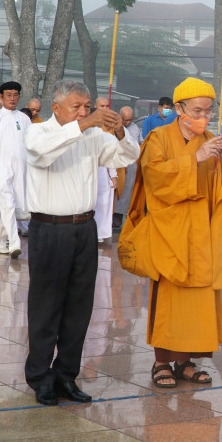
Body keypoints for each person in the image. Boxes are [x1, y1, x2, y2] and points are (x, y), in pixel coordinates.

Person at [23, 80, 139, 405]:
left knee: (79, 307)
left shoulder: (92, 134)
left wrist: (117, 132)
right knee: (46, 306)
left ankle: (66, 375)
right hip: (50, 229)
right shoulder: (38, 132)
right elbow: (41, 154)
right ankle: (40, 377)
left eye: (87, 106)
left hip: (84, 228)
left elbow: (127, 155)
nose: (84, 112)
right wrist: (83, 124)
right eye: (77, 106)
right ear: (56, 108)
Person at [136, 77, 222, 388]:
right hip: (170, 230)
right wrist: (195, 158)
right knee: (169, 298)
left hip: (202, 233)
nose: (204, 118)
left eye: (209, 112)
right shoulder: (159, 137)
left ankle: (186, 362)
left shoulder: (211, 138)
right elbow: (153, 176)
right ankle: (161, 362)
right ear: (179, 109)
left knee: (197, 301)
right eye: (197, 111)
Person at [0, 81, 31, 257]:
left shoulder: (24, 118)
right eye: (8, 95)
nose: (12, 98)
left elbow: (30, 145)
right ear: (1, 97)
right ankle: (14, 242)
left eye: (15, 95)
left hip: (20, 169)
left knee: (12, 206)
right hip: (0, 168)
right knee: (8, 204)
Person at [92, 97, 117, 243]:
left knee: (103, 204)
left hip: (102, 173)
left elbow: (110, 157)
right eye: (101, 106)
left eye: (107, 106)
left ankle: (100, 234)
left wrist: (113, 176)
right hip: (85, 173)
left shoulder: (106, 134)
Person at [113, 106, 142, 230]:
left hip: (132, 167)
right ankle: (113, 220)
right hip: (118, 166)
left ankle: (121, 219)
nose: (128, 122)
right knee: (117, 195)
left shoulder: (134, 128)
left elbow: (140, 143)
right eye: (125, 120)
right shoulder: (114, 127)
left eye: (130, 119)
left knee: (127, 195)